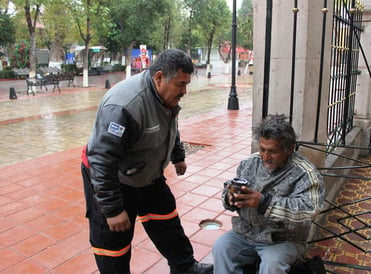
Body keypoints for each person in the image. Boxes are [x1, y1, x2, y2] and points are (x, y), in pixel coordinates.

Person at [81, 48, 213, 274]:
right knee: (114, 242)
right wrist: (112, 208)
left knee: (166, 219)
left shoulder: (165, 96)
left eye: (186, 84)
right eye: (181, 84)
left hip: (147, 171)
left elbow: (169, 122)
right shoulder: (124, 105)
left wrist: (177, 155)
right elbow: (102, 159)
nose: (184, 91)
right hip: (113, 178)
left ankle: (185, 267)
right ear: (159, 77)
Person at [212, 114, 325, 274]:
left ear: (290, 149)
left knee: (272, 264)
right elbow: (230, 186)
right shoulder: (249, 163)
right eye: (262, 149)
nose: (265, 157)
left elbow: (310, 210)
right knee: (221, 248)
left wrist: (264, 203)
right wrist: (229, 197)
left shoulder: (305, 173)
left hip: (283, 239)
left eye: (272, 151)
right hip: (246, 232)